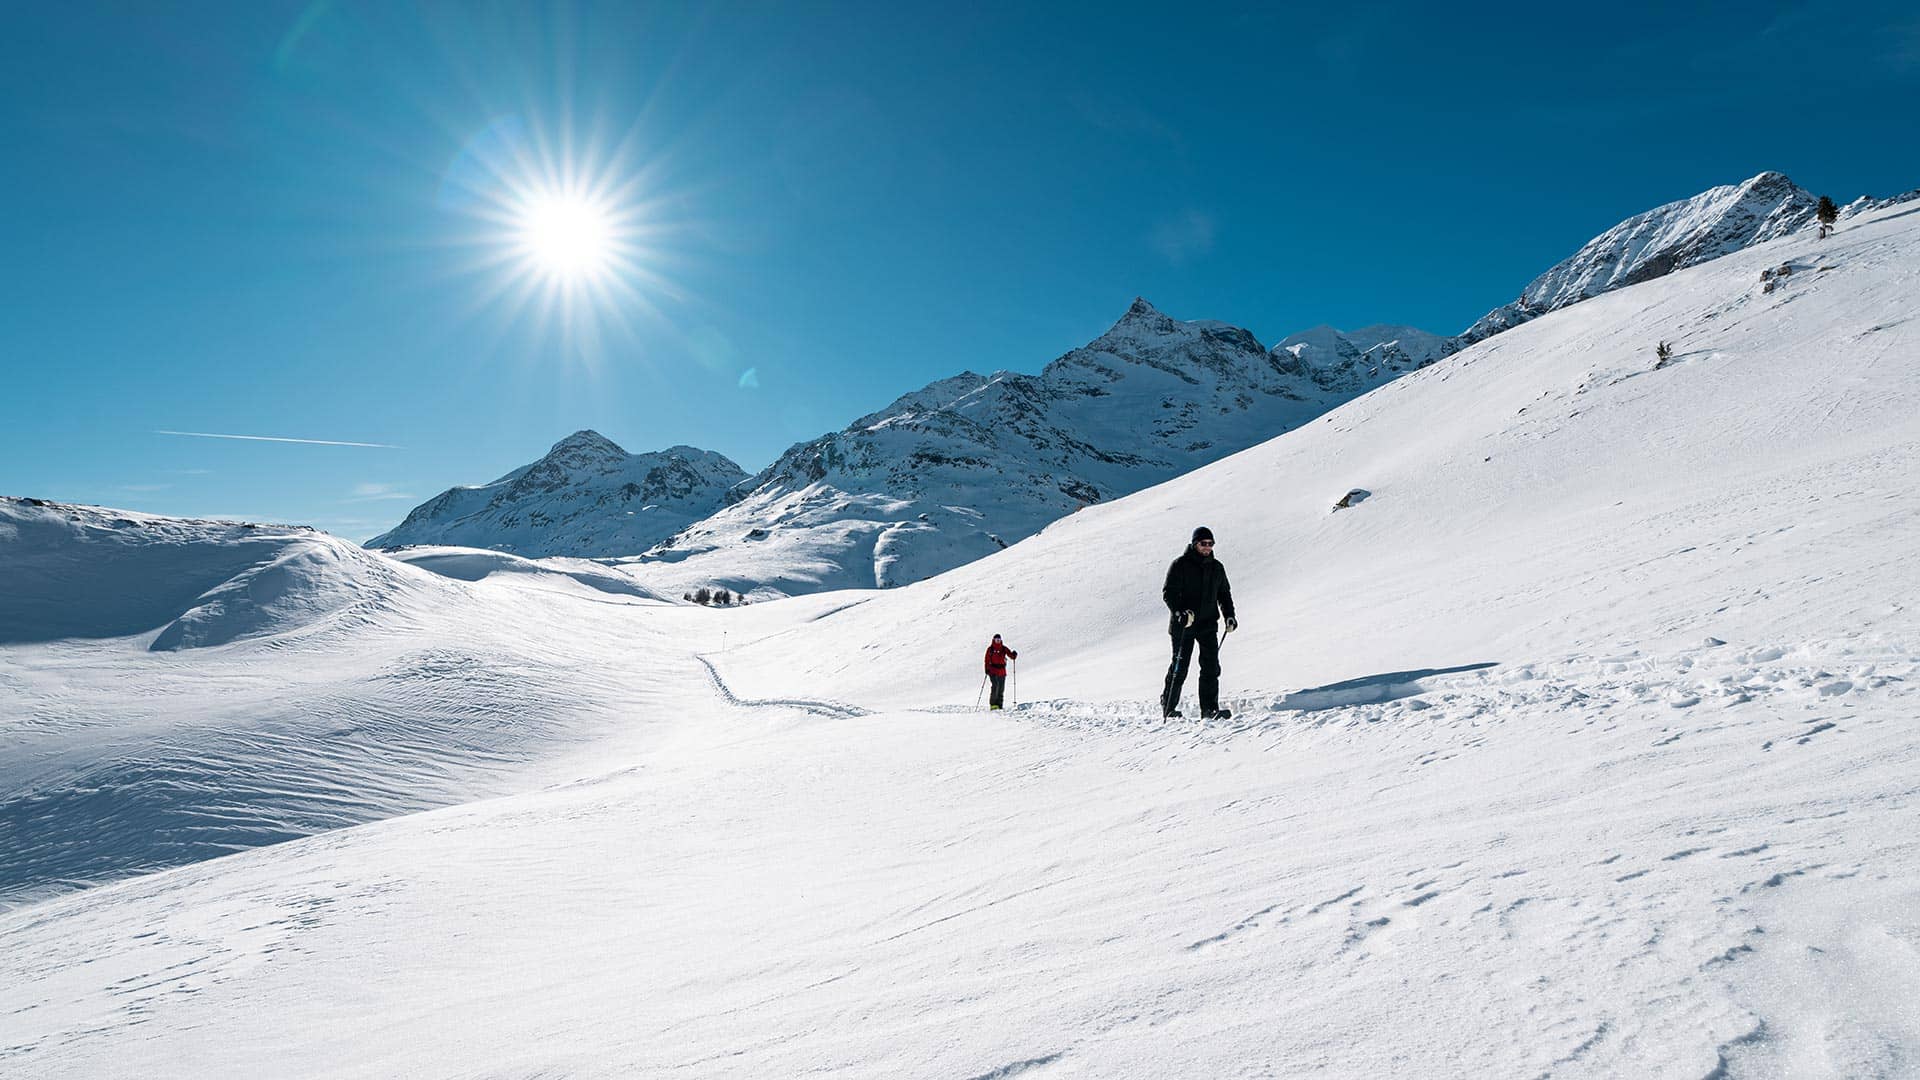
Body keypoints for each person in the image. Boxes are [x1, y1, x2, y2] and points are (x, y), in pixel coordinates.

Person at [1160, 526, 1237, 718]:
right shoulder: (1180, 565)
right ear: (1195, 544)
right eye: (1204, 543)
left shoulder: (1217, 567)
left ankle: (1209, 709)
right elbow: (1168, 593)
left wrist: (1229, 615)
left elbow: (1224, 594)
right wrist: (1180, 613)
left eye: (1211, 544)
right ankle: (1168, 707)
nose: (1207, 547)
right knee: (1180, 667)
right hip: (1184, 626)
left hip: (1208, 625)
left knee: (1211, 667)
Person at [984, 634, 1019, 710]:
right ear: (994, 640)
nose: (998, 641)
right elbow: (987, 660)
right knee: (995, 685)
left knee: (1001, 688)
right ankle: (993, 705)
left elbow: (1010, 655)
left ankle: (999, 705)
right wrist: (986, 669)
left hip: (1002, 671)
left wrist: (1014, 655)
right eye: (996, 640)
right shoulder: (990, 649)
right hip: (993, 671)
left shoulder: (1003, 648)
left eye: (999, 640)